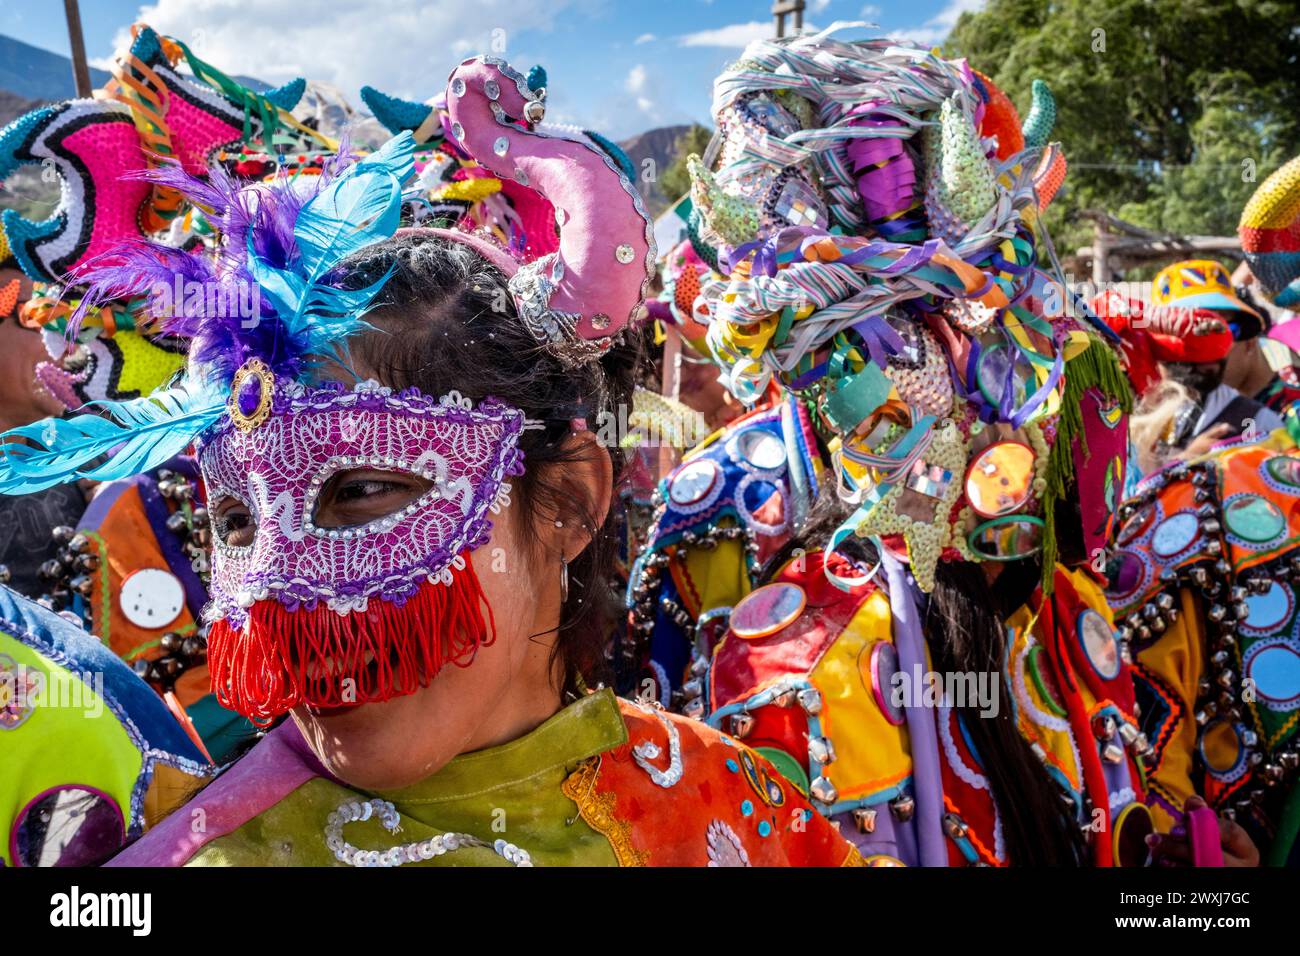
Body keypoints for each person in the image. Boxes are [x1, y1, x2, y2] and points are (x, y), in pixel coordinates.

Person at [1, 58, 859, 868]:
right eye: (237, 521)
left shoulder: (736, 802)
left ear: (568, 499)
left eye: (366, 490)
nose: (270, 600)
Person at [664, 31, 1150, 865]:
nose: (887, 176)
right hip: (892, 570)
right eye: (867, 163)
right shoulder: (807, 664)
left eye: (901, 156)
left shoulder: (1074, 615)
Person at [1147, 260, 1283, 446]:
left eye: (1222, 332)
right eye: (1194, 331)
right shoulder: (1124, 410)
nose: (1209, 348)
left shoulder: (1259, 424)